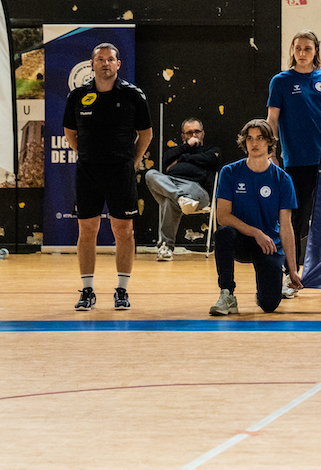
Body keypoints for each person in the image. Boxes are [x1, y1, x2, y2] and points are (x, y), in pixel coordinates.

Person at [62, 43, 152, 311]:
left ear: (118, 64)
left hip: (120, 172)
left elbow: (145, 135)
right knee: (87, 230)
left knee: (123, 231)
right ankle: (87, 290)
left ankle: (122, 290)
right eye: (99, 59)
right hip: (88, 172)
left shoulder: (134, 96)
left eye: (110, 59)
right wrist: (87, 154)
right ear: (92, 64)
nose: (105, 64)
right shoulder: (77, 96)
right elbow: (70, 132)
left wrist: (130, 162)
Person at [266, 30, 321, 297]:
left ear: (316, 51)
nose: (302, 52)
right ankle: (290, 277)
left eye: (307, 48)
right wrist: (271, 151)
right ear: (292, 50)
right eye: (298, 48)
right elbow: (272, 120)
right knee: (295, 220)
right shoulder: (280, 81)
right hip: (296, 161)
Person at [209, 119, 303, 316]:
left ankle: (267, 285)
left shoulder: (283, 179)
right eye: (250, 138)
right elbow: (223, 216)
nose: (254, 143)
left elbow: (286, 226)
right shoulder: (230, 172)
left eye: (260, 138)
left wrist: (293, 269)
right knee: (224, 233)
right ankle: (227, 294)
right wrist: (255, 232)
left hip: (268, 244)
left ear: (269, 142)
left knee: (269, 305)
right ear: (244, 142)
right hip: (242, 241)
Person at [144, 117, 223, 261]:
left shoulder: (211, 149)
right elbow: (166, 158)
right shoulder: (177, 150)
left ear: (202, 133)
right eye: (189, 133)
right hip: (172, 185)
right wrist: (187, 147)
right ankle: (180, 198)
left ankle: (166, 247)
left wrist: (181, 159)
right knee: (150, 174)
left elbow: (212, 159)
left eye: (197, 132)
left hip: (197, 189)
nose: (193, 135)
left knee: (169, 201)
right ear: (183, 136)